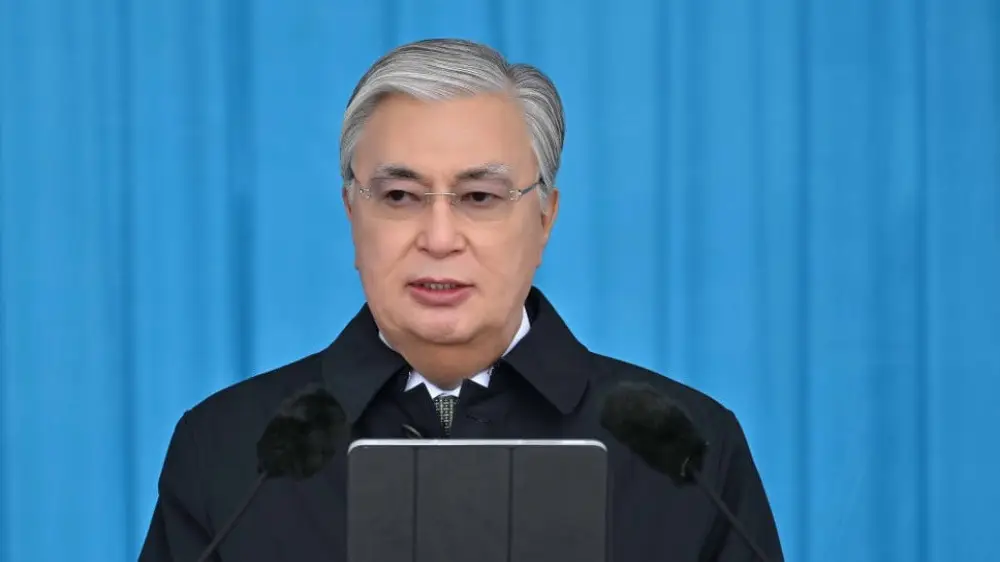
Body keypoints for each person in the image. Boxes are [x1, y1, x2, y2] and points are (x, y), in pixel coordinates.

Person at [139, 38, 783, 562]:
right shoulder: (231, 450)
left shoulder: (686, 450)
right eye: (399, 197)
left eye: (479, 197)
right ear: (352, 214)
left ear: (545, 218)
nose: (439, 238)